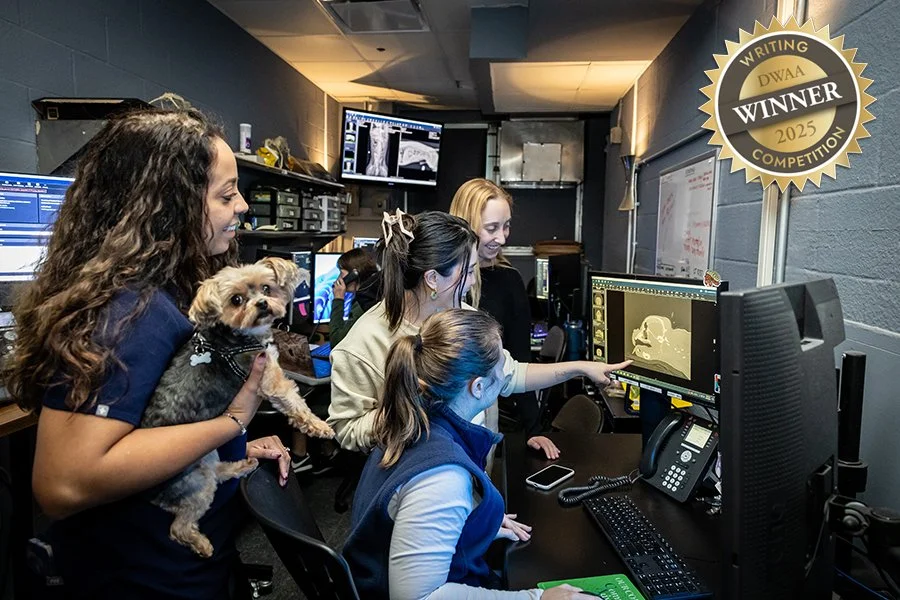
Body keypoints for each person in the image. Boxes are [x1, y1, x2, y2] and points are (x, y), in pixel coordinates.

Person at [2, 109, 292, 599]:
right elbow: (64, 483)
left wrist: (229, 449)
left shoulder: (162, 291)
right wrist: (233, 422)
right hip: (147, 579)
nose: (241, 205)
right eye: (225, 195)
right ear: (169, 205)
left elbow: (149, 428)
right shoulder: (128, 311)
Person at [326, 209, 628, 458]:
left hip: (471, 470)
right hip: (418, 488)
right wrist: (412, 408)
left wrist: (580, 368)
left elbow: (510, 375)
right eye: (468, 271)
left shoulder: (464, 317)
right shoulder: (362, 343)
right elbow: (348, 431)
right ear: (433, 278)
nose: (472, 282)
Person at [342, 309, 593, 599]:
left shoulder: (411, 422)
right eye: (501, 363)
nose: (505, 371)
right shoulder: (441, 477)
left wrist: (473, 525)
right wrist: (537, 598)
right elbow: (419, 598)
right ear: (478, 387)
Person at [450, 178, 540, 434]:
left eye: (506, 226)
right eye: (492, 228)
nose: (502, 238)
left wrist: (534, 430)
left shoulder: (508, 280)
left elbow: (521, 359)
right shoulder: (442, 279)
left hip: (484, 415)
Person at [329, 247, 379, 347]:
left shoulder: (363, 303)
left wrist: (338, 299)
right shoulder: (374, 294)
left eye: (341, 274)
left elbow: (336, 342)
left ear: (354, 274)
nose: (338, 279)